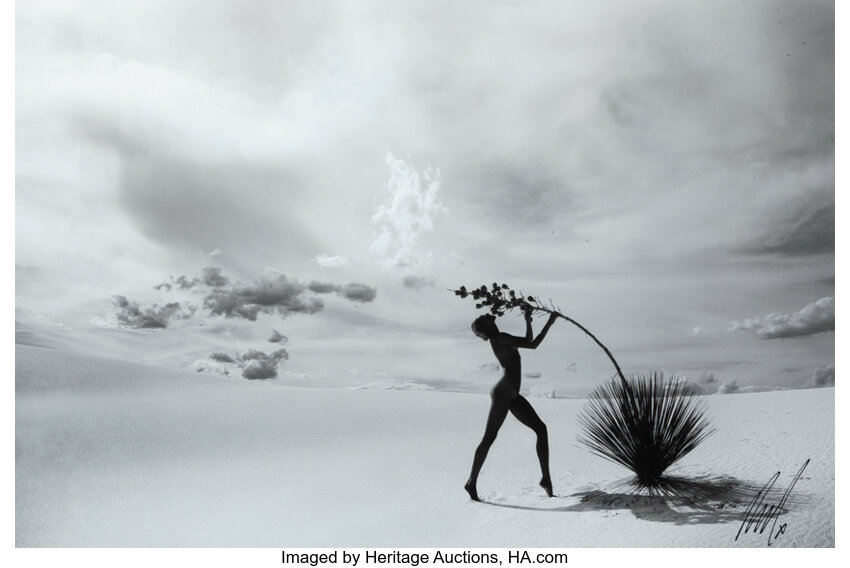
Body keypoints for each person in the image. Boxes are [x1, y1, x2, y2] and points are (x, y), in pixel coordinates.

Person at [465, 310, 559, 502]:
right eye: (483, 317)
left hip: (512, 394)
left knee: (541, 429)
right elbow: (532, 344)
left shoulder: (500, 338)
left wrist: (528, 319)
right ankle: (471, 482)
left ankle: (546, 479)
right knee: (489, 438)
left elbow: (528, 341)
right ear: (485, 327)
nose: (486, 313)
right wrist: (549, 322)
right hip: (503, 393)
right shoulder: (499, 337)